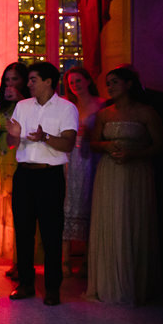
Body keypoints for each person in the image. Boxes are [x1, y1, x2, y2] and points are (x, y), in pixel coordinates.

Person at [87, 66, 163, 305]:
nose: (109, 87)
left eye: (114, 82)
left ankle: (136, 283)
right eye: (107, 83)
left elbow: (161, 145)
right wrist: (106, 146)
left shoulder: (146, 112)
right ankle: (108, 282)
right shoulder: (104, 114)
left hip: (136, 172)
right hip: (110, 172)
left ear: (129, 84)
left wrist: (136, 153)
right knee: (111, 221)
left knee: (133, 221)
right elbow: (93, 143)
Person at [6, 61, 78, 306]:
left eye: (33, 79)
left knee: (51, 233)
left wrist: (45, 137)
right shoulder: (22, 106)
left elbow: (68, 144)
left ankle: (52, 288)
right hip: (24, 174)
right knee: (23, 231)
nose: (28, 84)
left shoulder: (67, 108)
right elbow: (11, 143)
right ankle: (25, 283)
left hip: (50, 176)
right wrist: (13, 134)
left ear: (49, 81)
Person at [62, 66, 104, 277]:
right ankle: (66, 258)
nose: (75, 85)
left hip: (91, 156)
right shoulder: (69, 105)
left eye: (78, 81)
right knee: (68, 201)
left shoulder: (101, 104)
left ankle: (88, 259)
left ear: (88, 81)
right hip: (71, 157)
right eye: (71, 82)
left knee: (89, 200)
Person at [0, 62, 29, 280]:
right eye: (7, 80)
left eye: (14, 79)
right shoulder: (3, 105)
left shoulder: (27, 104)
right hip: (3, 157)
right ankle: (16, 261)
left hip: (20, 156)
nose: (10, 84)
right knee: (8, 209)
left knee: (22, 210)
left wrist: (18, 99)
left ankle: (23, 262)